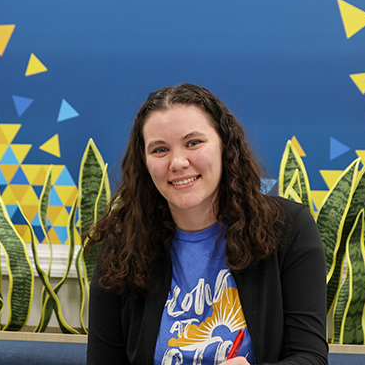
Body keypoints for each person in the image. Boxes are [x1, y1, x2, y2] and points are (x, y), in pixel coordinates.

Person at [86, 83, 328, 365]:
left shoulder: (288, 228)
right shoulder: (122, 243)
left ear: (224, 144)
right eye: (160, 149)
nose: (177, 162)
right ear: (145, 160)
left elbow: (310, 358)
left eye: (193, 143)